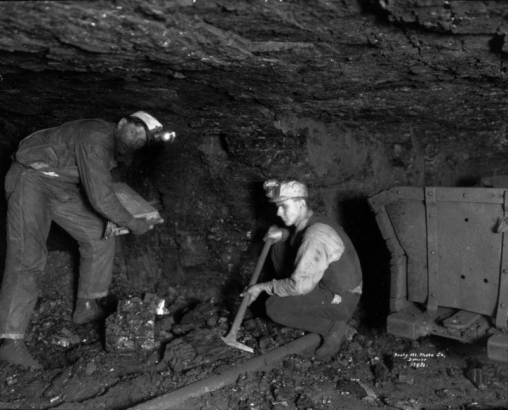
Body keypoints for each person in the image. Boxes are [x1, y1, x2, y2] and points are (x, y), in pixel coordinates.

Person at [0, 111, 173, 369]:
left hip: (60, 187)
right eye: (135, 130)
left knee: (98, 233)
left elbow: (102, 184)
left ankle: (87, 305)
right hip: (31, 180)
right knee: (29, 256)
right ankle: (10, 342)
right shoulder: (95, 136)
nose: (136, 139)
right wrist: (134, 223)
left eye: (142, 139)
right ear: (122, 123)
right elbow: (100, 197)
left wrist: (135, 209)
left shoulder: (116, 149)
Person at [245, 180, 363, 359]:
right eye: (278, 207)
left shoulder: (315, 236)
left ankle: (333, 329)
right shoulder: (314, 221)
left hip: (342, 298)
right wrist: (283, 234)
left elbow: (298, 286)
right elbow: (298, 238)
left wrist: (262, 287)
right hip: (331, 286)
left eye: (283, 206)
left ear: (301, 204)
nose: (278, 212)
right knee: (279, 247)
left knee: (274, 306)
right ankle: (302, 307)